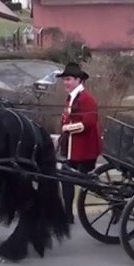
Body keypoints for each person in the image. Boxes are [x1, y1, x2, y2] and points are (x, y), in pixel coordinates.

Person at [57, 61, 100, 225]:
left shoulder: (86, 99)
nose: (65, 83)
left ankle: (67, 214)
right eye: (64, 80)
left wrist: (68, 128)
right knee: (65, 178)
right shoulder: (72, 97)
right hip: (72, 148)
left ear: (78, 80)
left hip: (84, 149)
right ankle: (67, 213)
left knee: (76, 180)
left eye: (68, 79)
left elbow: (89, 121)